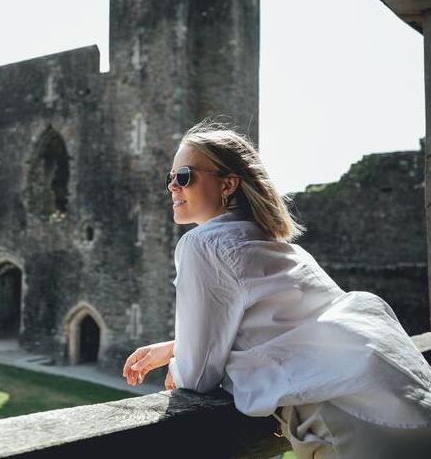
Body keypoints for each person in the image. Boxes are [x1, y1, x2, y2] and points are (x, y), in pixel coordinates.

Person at [121, 119, 431, 458]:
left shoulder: (202, 244)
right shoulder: (275, 243)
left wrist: (182, 361)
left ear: (228, 184)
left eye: (184, 176)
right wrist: (180, 345)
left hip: (348, 425)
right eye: (169, 178)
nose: (172, 187)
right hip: (398, 402)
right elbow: (278, 327)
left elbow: (197, 377)